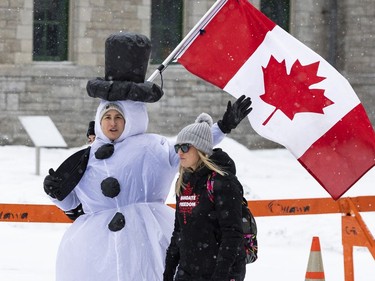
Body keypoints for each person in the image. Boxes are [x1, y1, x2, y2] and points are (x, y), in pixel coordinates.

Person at [43, 32, 252, 281]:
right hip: (96, 250)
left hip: (145, 240)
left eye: (119, 117)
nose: (112, 123)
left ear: (131, 119)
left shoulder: (152, 148)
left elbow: (190, 148)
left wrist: (222, 127)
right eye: (107, 117)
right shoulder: (85, 159)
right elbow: (75, 204)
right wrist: (56, 193)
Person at [163, 113, 247, 281]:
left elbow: (232, 235)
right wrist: (168, 272)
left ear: (200, 148)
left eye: (185, 147)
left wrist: (220, 275)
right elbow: (179, 232)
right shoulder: (184, 182)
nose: (179, 152)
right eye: (177, 147)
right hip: (188, 272)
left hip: (219, 273)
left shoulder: (223, 182)